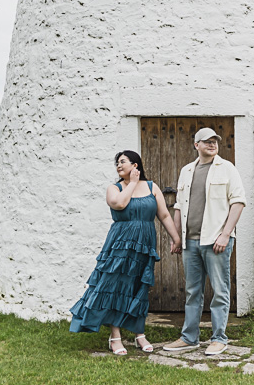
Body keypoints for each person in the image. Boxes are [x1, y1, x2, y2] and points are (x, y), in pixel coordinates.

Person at [69, 150, 182, 355]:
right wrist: (130, 184)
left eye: (123, 162)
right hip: (121, 243)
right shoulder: (115, 188)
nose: (118, 166)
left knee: (139, 286)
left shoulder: (151, 187)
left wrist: (176, 238)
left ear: (135, 165)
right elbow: (119, 203)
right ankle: (115, 337)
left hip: (145, 243)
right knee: (115, 286)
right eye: (117, 163)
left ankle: (140, 334)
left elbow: (164, 215)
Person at [163, 127, 246, 356]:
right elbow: (179, 205)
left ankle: (219, 338)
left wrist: (226, 234)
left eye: (215, 141)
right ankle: (189, 338)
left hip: (216, 241)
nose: (212, 144)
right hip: (190, 243)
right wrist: (177, 237)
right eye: (207, 141)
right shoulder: (187, 170)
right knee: (192, 292)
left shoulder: (227, 168)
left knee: (220, 291)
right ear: (196, 145)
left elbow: (238, 202)